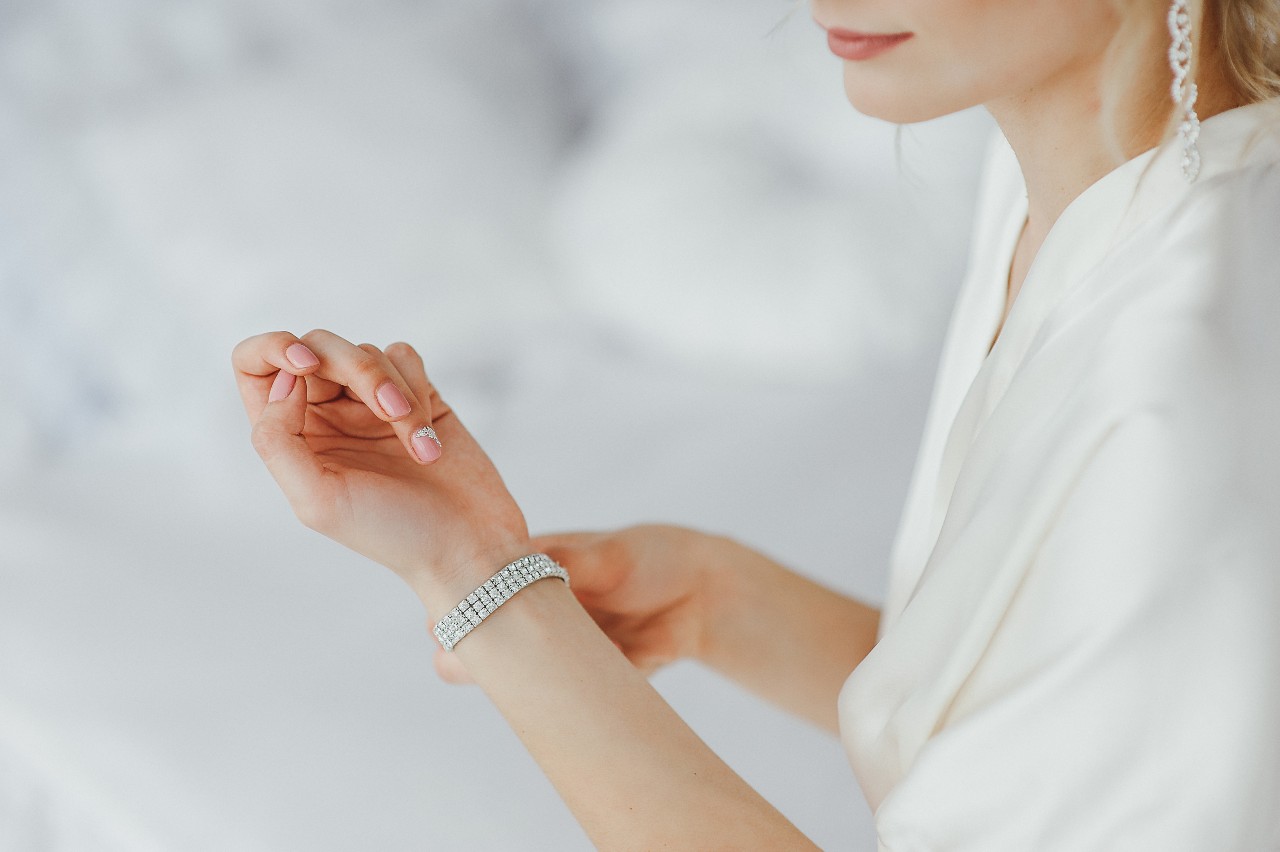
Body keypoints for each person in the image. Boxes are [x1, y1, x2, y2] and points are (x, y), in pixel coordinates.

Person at [232, 0, 1280, 847]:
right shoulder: (1061, 189)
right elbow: (1063, 736)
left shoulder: (1183, 365)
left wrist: (476, 580)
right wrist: (719, 597)